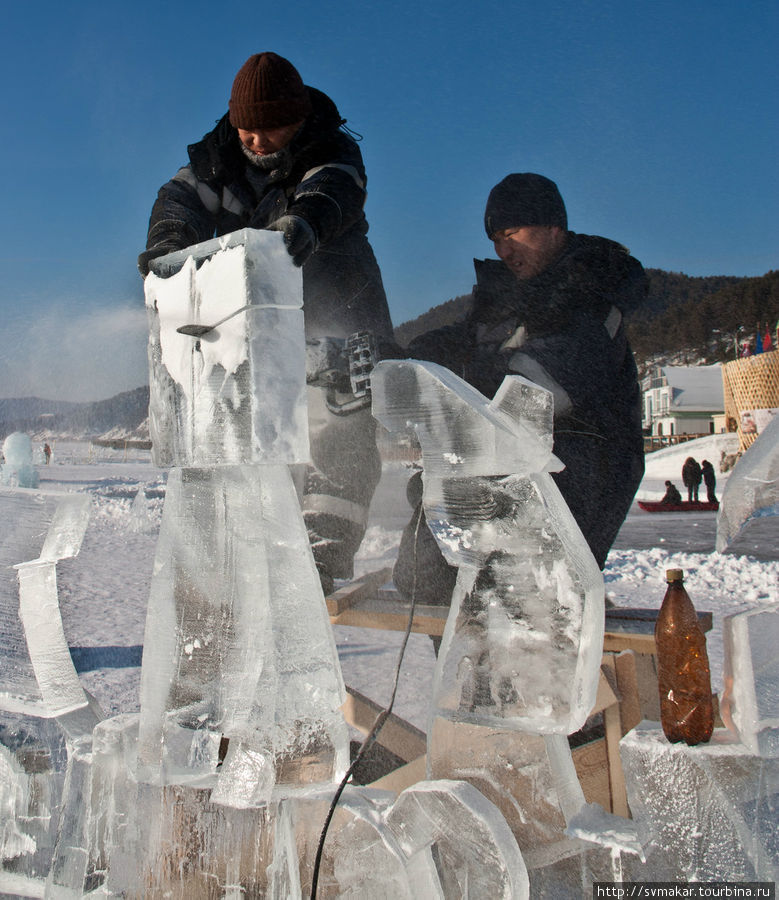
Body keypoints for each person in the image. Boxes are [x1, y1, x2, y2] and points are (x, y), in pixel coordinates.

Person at [139, 52, 394, 593]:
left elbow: (332, 189)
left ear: (297, 119)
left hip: (339, 300)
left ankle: (326, 544)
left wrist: (303, 224)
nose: (255, 141)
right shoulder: (216, 159)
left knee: (339, 417)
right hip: (259, 317)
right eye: (246, 129)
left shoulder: (332, 148)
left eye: (269, 129)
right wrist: (166, 246)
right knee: (247, 420)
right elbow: (179, 201)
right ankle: (248, 540)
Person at [394, 173, 647, 605]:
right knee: (424, 576)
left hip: (578, 467)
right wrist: (402, 358)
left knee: (521, 597)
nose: (503, 250)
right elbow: (459, 340)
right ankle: (474, 670)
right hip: (507, 467)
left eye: (512, 233)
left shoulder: (593, 293)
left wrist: (454, 385)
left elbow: (545, 384)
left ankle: (551, 644)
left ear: (554, 227)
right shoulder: (506, 299)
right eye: (496, 238)